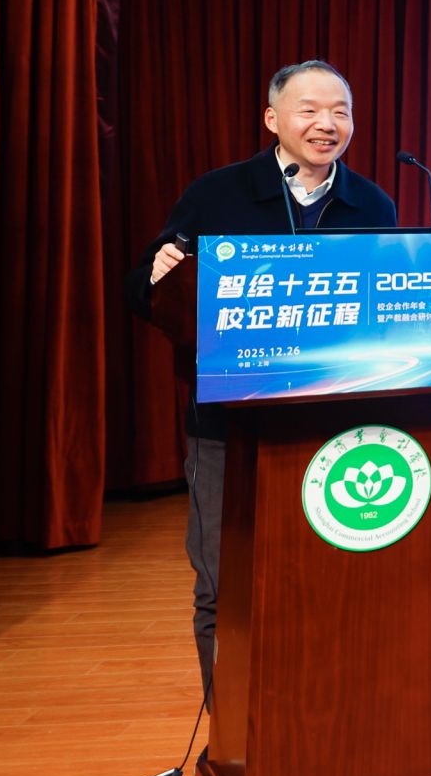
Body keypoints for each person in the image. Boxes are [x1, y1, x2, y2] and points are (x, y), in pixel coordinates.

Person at [125, 60, 397, 700]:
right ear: (273, 119)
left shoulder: (372, 203)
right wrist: (158, 275)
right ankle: (231, 737)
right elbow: (145, 291)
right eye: (310, 110)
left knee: (327, 583)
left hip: (335, 428)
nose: (327, 124)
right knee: (226, 584)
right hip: (230, 426)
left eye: (340, 112)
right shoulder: (218, 194)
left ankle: (319, 723)